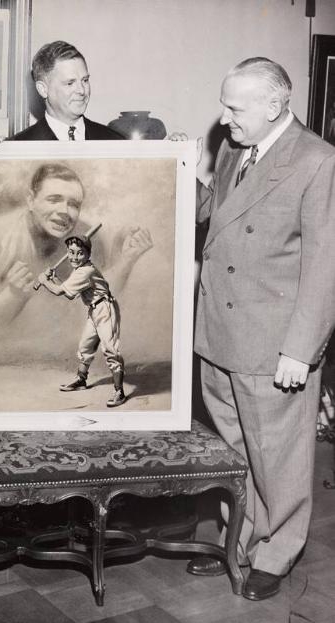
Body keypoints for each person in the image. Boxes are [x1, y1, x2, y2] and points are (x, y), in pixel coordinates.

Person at [188, 58, 335, 601]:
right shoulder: (232, 150)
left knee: (279, 456)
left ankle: (277, 551)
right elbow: (220, 217)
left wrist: (301, 349)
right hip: (222, 336)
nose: (223, 117)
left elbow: (326, 266)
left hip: (274, 344)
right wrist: (180, 170)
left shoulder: (318, 162)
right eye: (224, 104)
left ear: (274, 107)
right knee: (237, 452)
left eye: (235, 107)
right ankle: (241, 541)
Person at [0, 163, 153, 327]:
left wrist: (125, 260)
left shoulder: (88, 237)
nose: (64, 211)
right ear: (31, 200)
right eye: (54, 200)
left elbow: (99, 306)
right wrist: (12, 296)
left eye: (73, 204)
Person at [37, 234, 126, 408]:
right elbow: (69, 291)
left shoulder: (86, 271)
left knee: (110, 350)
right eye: (71, 252)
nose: (74, 257)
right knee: (85, 346)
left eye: (80, 253)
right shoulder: (80, 270)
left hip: (105, 309)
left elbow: (59, 292)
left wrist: (43, 281)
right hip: (94, 310)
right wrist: (53, 278)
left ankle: (119, 391)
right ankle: (81, 380)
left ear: (88, 255)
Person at [11, 40, 123, 140]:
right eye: (70, 83)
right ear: (43, 89)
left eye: (85, 80)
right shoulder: (17, 147)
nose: (82, 91)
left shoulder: (113, 141)